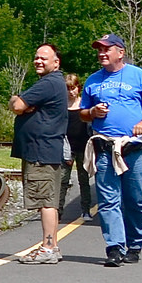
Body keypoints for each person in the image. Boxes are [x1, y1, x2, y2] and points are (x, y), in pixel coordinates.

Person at [76, 32, 142, 266]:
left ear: (120, 52)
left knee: (136, 199)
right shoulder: (93, 80)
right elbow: (83, 113)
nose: (101, 53)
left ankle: (135, 244)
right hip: (105, 147)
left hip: (132, 148)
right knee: (108, 200)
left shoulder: (138, 75)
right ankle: (114, 247)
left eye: (106, 49)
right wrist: (93, 113)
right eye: (99, 50)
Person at [9, 43, 70, 263]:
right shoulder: (51, 83)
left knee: (45, 201)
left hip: (40, 152)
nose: (38, 61)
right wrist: (19, 101)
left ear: (56, 62)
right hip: (45, 151)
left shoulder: (49, 83)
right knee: (49, 200)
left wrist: (19, 102)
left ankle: (48, 248)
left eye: (44, 58)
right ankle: (51, 247)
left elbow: (17, 105)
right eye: (36, 57)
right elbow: (17, 103)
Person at [63, 71, 93, 218]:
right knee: (63, 180)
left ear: (78, 88)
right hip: (66, 147)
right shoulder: (62, 106)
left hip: (83, 147)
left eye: (73, 88)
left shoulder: (84, 105)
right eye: (67, 88)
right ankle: (58, 211)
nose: (71, 92)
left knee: (84, 179)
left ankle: (86, 209)